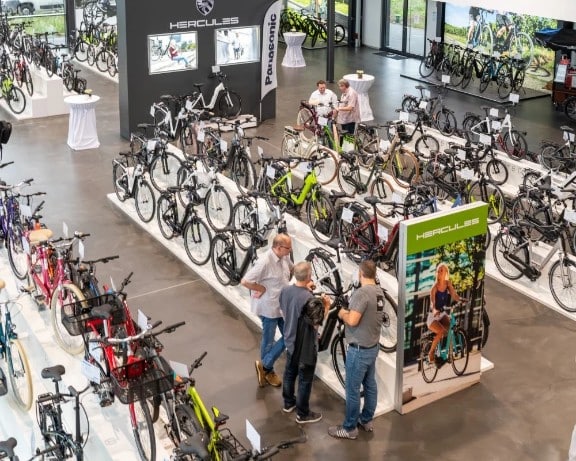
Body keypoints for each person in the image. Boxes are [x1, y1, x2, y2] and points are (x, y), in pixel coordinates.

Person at [328, 260, 385, 440]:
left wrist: (341, 312)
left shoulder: (362, 293)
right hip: (372, 347)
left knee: (352, 390)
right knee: (370, 385)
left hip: (359, 350)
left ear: (361, 273)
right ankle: (366, 419)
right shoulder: (379, 292)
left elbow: (352, 320)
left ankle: (349, 428)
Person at [280, 261, 330, 424]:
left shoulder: (285, 290)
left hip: (290, 340)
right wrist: (326, 306)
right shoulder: (309, 299)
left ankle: (288, 403)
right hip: (305, 347)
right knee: (305, 380)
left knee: (289, 373)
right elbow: (316, 323)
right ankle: (303, 414)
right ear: (309, 276)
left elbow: (287, 308)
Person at [241, 234, 293, 388]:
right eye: (288, 248)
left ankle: (264, 366)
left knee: (290, 335)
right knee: (268, 340)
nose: (290, 251)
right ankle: (268, 370)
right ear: (279, 247)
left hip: (281, 306)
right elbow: (245, 281)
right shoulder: (265, 262)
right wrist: (261, 288)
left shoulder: (284, 257)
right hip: (269, 308)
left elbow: (292, 269)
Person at [427, 263, 463, 366]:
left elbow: (454, 295)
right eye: (438, 271)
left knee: (450, 328)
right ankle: (431, 353)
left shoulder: (447, 284)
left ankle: (445, 353)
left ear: (446, 272)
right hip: (433, 317)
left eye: (441, 270)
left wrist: (461, 299)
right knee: (441, 331)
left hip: (442, 314)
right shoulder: (434, 287)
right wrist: (434, 310)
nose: (439, 272)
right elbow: (432, 303)